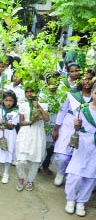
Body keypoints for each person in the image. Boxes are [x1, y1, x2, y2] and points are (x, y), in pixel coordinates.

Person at [52, 70, 94, 186]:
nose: (86, 81)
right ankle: (61, 173)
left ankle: (72, 178)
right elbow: (62, 111)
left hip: (86, 131)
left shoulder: (94, 97)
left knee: (79, 156)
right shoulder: (71, 94)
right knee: (62, 157)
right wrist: (56, 128)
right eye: (84, 78)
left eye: (90, 79)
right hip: (68, 126)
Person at [64, 85, 96, 217]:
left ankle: (82, 201)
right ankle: (70, 199)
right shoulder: (83, 109)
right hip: (83, 142)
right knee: (75, 174)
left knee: (91, 176)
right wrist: (77, 125)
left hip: (95, 147)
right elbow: (76, 128)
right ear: (93, 93)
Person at [15, 84, 49, 191]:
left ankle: (30, 181)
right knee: (20, 159)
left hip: (38, 133)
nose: (29, 94)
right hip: (25, 132)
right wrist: (31, 121)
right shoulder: (22, 104)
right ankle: (21, 178)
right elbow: (21, 122)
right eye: (27, 91)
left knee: (35, 159)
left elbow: (47, 119)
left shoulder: (43, 103)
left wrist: (38, 106)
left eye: (32, 91)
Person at [0, 90, 19, 184]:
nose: (8, 103)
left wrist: (5, 122)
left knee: (8, 152)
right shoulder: (0, 110)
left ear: (14, 101)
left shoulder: (15, 112)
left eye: (11, 101)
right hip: (1, 133)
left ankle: (6, 173)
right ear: (3, 101)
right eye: (6, 100)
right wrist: (0, 126)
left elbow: (12, 126)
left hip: (10, 134)